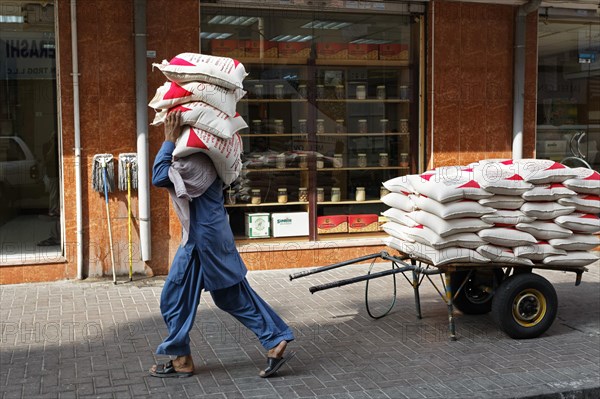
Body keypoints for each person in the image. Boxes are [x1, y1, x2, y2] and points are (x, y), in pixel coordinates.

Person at [149, 111, 295, 378]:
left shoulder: (195, 159)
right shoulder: (204, 156)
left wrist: (168, 141)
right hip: (212, 237)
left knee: (173, 299)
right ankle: (275, 339)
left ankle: (181, 358)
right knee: (231, 296)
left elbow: (159, 176)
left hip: (201, 242)